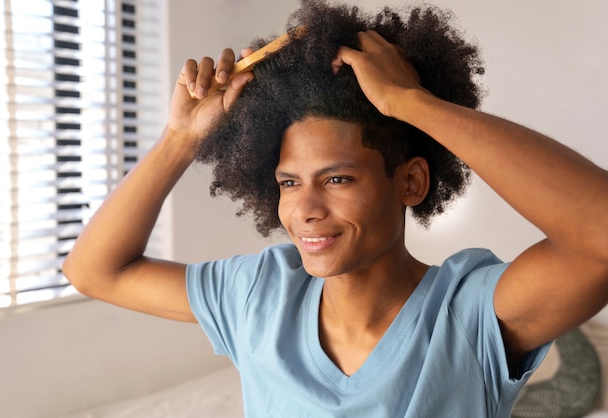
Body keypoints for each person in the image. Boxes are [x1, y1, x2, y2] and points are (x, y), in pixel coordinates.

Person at [63, 1, 608, 417]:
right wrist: (180, 140)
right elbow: (94, 271)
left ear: (412, 181)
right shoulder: (259, 297)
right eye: (289, 183)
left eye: (338, 178)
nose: (305, 209)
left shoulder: (469, 313)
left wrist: (412, 105)